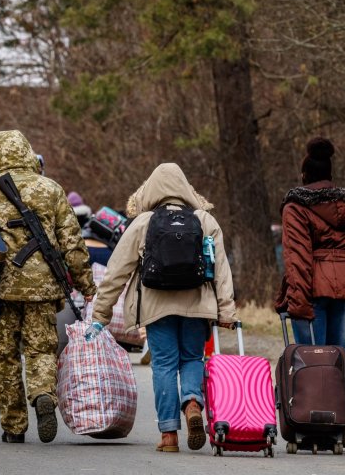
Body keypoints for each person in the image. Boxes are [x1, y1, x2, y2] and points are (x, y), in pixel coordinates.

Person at [0, 130, 96, 444]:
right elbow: (72, 243)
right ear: (27, 154)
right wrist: (86, 284)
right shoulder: (50, 189)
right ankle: (42, 394)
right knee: (41, 349)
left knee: (6, 355)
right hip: (42, 288)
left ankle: (13, 426)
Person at [88, 163, 236, 453]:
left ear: (151, 190)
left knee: (164, 364)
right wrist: (226, 310)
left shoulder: (143, 223)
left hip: (156, 305)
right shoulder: (205, 220)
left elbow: (116, 272)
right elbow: (222, 270)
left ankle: (168, 435)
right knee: (192, 358)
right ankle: (192, 403)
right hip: (197, 305)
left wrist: (101, 314)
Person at [275, 137, 345, 354]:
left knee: (312, 361)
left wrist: (298, 302)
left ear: (305, 176)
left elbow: (297, 258)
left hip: (312, 289)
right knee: (338, 359)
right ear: (330, 176)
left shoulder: (296, 208)